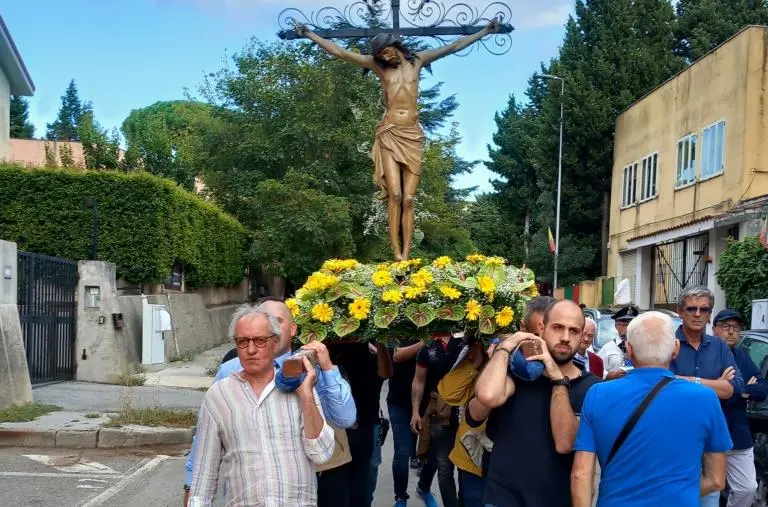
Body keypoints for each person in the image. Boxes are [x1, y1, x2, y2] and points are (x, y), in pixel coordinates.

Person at [295, 20, 500, 260]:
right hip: (390, 133)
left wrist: (485, 31)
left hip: (412, 135)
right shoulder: (379, 67)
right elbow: (341, 52)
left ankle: (407, 252)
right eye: (380, 55)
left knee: (410, 199)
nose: (385, 57)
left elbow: (454, 46)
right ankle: (396, 254)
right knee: (396, 195)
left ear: (395, 45)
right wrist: (310, 34)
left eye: (386, 51)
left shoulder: (419, 61)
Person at [183, 297, 356, 504]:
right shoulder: (222, 388)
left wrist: (310, 388)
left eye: (260, 340)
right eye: (243, 342)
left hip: (318, 481)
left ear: (276, 340)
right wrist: (191, 487)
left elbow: (328, 442)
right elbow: (204, 464)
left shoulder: (307, 372)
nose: (251, 349)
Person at [571, 311, 732, 507]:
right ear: (676, 349)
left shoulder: (598, 395)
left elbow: (581, 474)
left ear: (629, 350)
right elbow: (716, 479)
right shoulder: (705, 398)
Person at [475, 299, 600, 507]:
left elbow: (565, 444)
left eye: (574, 331)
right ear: (541, 329)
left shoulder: (592, 388)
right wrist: (505, 348)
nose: (566, 338)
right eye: (558, 328)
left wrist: (556, 378)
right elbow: (488, 396)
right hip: (503, 498)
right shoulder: (516, 375)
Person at [670, 286, 744, 507]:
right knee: (675, 494)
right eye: (691, 308)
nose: (697, 314)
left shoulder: (720, 346)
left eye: (704, 309)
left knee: (710, 495)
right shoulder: (668, 344)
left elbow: (734, 387)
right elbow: (665, 385)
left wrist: (690, 380)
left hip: (710, 434)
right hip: (676, 433)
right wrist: (716, 384)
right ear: (680, 311)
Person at [323, 340, 392, 507]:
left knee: (364, 483)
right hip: (337, 429)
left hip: (366, 425)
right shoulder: (331, 354)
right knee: (338, 483)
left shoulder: (372, 355)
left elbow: (386, 373)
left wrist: (380, 341)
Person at [713, 309, 768, 507]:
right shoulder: (707, 354)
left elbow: (761, 389)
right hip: (711, 430)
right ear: (714, 329)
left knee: (747, 488)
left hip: (738, 431)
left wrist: (731, 388)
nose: (731, 332)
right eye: (726, 327)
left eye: (735, 328)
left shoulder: (742, 356)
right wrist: (742, 390)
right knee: (709, 489)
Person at [411, 332, 466, 507]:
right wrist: (415, 412)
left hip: (466, 411)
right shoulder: (428, 346)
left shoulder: (465, 341)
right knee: (445, 466)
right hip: (439, 412)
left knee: (464, 465)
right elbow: (419, 380)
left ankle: (425, 486)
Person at [437, 339, 492, 507]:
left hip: (505, 462)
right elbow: (448, 394)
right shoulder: (475, 363)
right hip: (472, 460)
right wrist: (475, 363)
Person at [387, 338, 425, 507]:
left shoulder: (434, 325)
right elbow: (397, 355)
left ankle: (423, 486)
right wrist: (424, 342)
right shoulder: (398, 325)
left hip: (427, 403)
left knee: (432, 455)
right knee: (402, 452)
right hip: (399, 402)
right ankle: (401, 496)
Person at [597, 306, 638, 380]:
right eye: (624, 325)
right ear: (616, 326)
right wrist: (610, 375)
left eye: (631, 325)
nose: (628, 328)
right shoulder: (608, 348)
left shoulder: (641, 346)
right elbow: (596, 369)